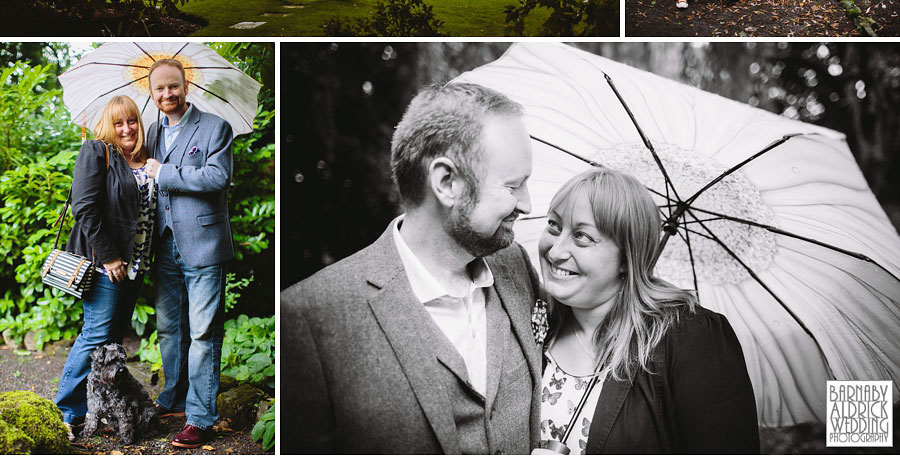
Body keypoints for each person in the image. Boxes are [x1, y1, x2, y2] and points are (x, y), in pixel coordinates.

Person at [281, 82, 543, 454]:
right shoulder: (310, 318)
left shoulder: (516, 266)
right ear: (446, 183)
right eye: (513, 186)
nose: (527, 204)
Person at [537, 168, 759, 454]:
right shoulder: (538, 318)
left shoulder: (691, 338)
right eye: (554, 226)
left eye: (582, 236)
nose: (555, 251)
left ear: (627, 257)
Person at [143, 58, 234, 449]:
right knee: (169, 329)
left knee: (202, 333)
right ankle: (173, 397)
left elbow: (217, 177)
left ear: (186, 86)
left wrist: (165, 173)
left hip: (204, 246)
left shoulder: (215, 127)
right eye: (159, 89)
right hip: (163, 245)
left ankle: (200, 417)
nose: (167, 94)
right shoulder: (151, 130)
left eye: (173, 87)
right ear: (152, 93)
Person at [56, 96, 156, 440]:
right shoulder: (97, 152)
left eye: (132, 121)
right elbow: (84, 207)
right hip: (106, 265)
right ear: (107, 126)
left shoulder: (147, 157)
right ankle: (66, 413)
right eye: (118, 123)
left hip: (136, 265)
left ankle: (95, 410)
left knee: (110, 343)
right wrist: (110, 255)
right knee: (95, 336)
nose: (126, 129)